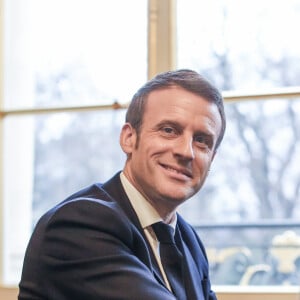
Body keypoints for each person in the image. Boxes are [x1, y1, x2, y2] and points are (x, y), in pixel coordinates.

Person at [18, 69, 226, 300]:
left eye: (201, 141)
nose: (185, 152)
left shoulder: (188, 240)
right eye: (169, 130)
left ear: (212, 159)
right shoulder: (77, 226)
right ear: (129, 138)